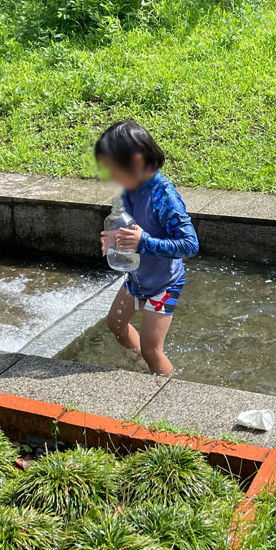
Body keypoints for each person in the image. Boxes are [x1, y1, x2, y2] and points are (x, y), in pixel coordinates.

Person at [95, 120, 198, 377]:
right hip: (137, 278)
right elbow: (127, 223)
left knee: (153, 349)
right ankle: (142, 365)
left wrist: (144, 243)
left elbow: (190, 244)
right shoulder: (128, 190)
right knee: (116, 325)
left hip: (164, 284)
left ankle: (166, 391)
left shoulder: (164, 197)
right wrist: (114, 238)